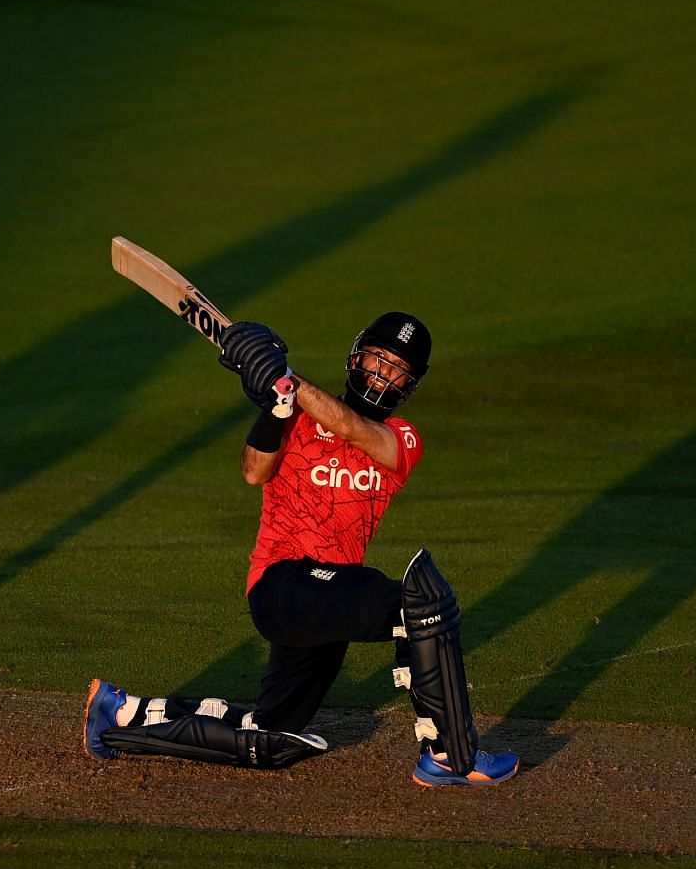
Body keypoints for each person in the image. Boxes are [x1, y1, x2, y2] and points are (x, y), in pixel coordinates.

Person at [84, 312, 518, 787]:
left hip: (327, 604)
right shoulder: (292, 417)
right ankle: (450, 755)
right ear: (355, 356)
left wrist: (288, 382)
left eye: (396, 369)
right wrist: (276, 404)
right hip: (282, 583)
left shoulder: (403, 438)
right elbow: (253, 471)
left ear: (410, 384)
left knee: (270, 736)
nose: (381, 374)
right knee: (419, 602)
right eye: (376, 358)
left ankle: (120, 713)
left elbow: (355, 430)